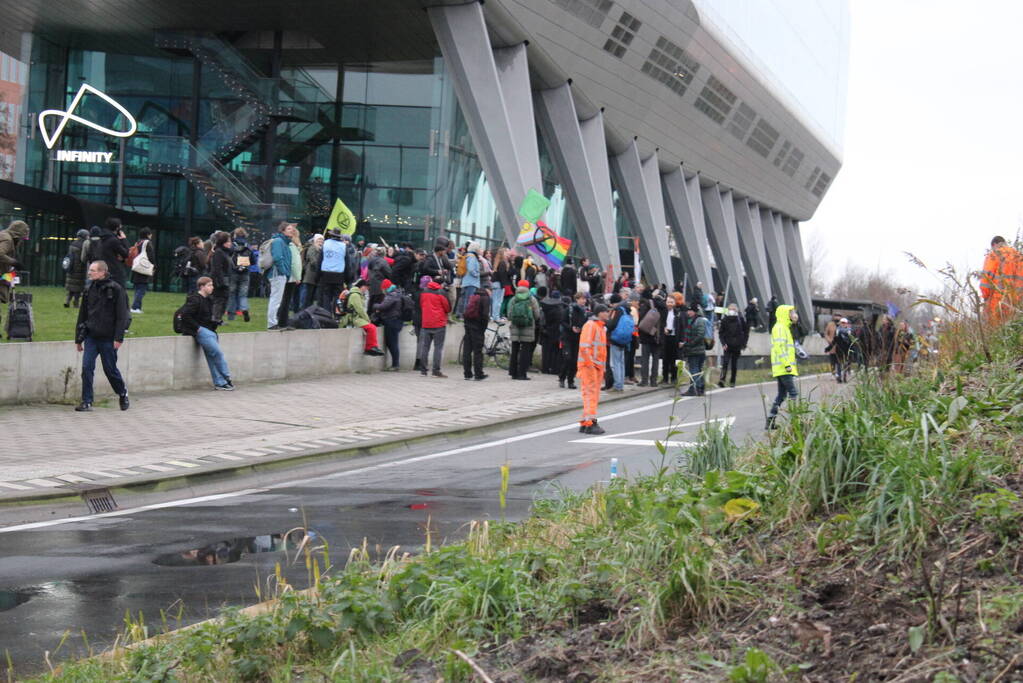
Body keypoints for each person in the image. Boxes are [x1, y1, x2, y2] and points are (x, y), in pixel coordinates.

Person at [74, 260, 130, 412]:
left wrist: (118, 338)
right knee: (86, 368)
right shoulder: (89, 289)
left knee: (110, 370)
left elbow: (122, 316)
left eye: (92, 270)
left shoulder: (116, 289)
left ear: (102, 272)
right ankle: (87, 401)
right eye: (90, 270)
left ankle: (122, 392)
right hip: (91, 336)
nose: (89, 273)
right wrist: (78, 339)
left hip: (108, 338)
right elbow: (83, 315)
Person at [177, 276, 235, 390]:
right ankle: (226, 376)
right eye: (209, 285)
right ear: (202, 287)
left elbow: (205, 317)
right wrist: (198, 328)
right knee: (217, 353)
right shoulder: (194, 299)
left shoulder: (208, 300)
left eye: (212, 285)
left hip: (209, 331)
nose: (212, 287)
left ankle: (220, 382)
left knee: (212, 356)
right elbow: (185, 315)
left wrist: (215, 322)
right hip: (201, 332)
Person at [766, 304, 802, 428]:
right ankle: (795, 421)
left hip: (783, 367)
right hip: (783, 368)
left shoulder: (784, 327)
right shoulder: (780, 328)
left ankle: (770, 421)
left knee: (781, 395)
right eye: (791, 313)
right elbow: (779, 348)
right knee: (794, 394)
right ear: (785, 314)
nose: (794, 315)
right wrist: (787, 365)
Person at [578, 304, 610, 434]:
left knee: (591, 394)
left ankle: (586, 422)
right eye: (606, 312)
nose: (608, 314)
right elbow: (584, 347)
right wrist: (591, 365)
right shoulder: (591, 325)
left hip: (595, 366)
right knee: (591, 394)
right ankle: (590, 422)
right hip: (590, 366)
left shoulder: (599, 327)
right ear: (600, 313)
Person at [980, 235, 1022, 323]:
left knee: (995, 333)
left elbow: (985, 281)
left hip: (997, 303)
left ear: (994, 244)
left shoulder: (993, 255)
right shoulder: (1019, 256)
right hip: (1017, 303)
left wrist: (985, 297)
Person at [508, 279, 542, 380]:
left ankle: (513, 372)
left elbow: (509, 315)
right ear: (528, 287)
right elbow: (537, 315)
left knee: (514, 350)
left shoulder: (513, 299)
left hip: (515, 328)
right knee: (525, 352)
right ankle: (522, 374)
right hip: (527, 328)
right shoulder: (532, 299)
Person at [340, 279, 384, 356]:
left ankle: (371, 347)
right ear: (362, 286)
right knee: (371, 327)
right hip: (353, 318)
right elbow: (360, 310)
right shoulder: (355, 295)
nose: (367, 289)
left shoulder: (356, 294)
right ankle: (370, 348)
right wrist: (367, 319)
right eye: (366, 287)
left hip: (356, 317)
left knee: (372, 327)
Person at [418, 275, 451, 377]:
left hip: (426, 323)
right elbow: (448, 308)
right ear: (441, 284)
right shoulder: (441, 292)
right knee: (438, 348)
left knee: (425, 347)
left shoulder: (424, 292)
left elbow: (421, 305)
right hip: (439, 323)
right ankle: (436, 371)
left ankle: (423, 371)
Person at [266, 222, 296, 330]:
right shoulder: (279, 241)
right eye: (289, 229)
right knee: (275, 299)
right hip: (277, 274)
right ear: (282, 231)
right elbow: (278, 258)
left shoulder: (285, 242)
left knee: (277, 299)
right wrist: (284, 271)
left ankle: (274, 322)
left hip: (280, 274)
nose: (292, 230)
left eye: (292, 229)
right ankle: (272, 323)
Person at [0, 220, 28, 329]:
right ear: (17, 234)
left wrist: (12, 272)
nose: (22, 241)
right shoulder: (7, 239)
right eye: (22, 238)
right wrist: (14, 262)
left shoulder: (4, 235)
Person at [461, 285, 491, 381]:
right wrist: (483, 328)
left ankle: (467, 374)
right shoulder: (485, 298)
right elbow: (485, 315)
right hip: (477, 327)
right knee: (477, 351)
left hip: (468, 325)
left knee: (467, 350)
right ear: (488, 290)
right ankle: (478, 374)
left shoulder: (473, 296)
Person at [374, 278, 405, 371]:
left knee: (393, 343)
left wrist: (375, 305)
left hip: (392, 321)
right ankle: (395, 364)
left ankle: (395, 365)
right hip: (396, 320)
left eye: (383, 289)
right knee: (392, 343)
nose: (382, 291)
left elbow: (383, 306)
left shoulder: (392, 295)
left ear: (386, 288)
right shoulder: (397, 293)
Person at [560, 291, 588, 389]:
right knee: (567, 358)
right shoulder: (569, 309)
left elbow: (585, 323)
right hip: (567, 337)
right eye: (582, 299)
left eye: (585, 299)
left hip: (578, 337)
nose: (584, 301)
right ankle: (562, 377)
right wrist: (570, 328)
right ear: (577, 299)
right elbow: (562, 321)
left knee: (575, 360)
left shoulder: (585, 311)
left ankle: (571, 380)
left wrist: (581, 328)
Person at [680, 302, 708, 396]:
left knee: (694, 370)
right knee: (697, 370)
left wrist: (689, 344)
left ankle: (699, 388)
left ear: (695, 311)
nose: (688, 312)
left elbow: (700, 335)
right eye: (688, 310)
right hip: (696, 349)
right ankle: (693, 389)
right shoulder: (691, 320)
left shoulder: (699, 320)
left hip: (696, 350)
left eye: (690, 310)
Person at [717, 303, 748, 388]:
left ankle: (732, 381)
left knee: (734, 364)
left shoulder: (740, 320)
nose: (731, 311)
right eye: (730, 309)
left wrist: (744, 344)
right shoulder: (725, 320)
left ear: (736, 310)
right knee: (725, 363)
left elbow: (746, 332)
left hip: (737, 345)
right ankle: (721, 380)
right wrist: (723, 343)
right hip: (727, 345)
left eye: (733, 309)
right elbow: (721, 333)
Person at [604, 293, 631, 392]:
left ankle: (617, 385)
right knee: (621, 363)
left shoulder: (617, 310)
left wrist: (606, 322)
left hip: (616, 338)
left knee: (614, 363)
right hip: (624, 339)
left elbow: (612, 324)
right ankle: (621, 384)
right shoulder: (626, 309)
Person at [317, 228, 347, 313]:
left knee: (326, 296)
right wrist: (347, 277)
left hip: (326, 273)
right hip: (339, 274)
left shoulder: (325, 244)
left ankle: (327, 314)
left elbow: (320, 260)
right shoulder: (344, 246)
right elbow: (347, 262)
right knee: (338, 296)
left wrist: (318, 275)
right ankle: (336, 314)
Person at [227, 227, 253, 322]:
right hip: (245, 273)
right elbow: (253, 260)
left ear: (235, 235)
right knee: (243, 294)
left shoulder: (232, 246)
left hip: (233, 272)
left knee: (232, 294)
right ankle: (244, 309)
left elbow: (227, 257)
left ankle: (231, 316)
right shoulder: (248, 246)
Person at [128, 228, 156, 314]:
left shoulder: (138, 242)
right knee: (142, 289)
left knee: (138, 288)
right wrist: (154, 266)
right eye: (150, 234)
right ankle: (135, 307)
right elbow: (151, 256)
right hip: (143, 268)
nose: (151, 235)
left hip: (136, 267)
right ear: (148, 234)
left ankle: (137, 307)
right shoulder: (147, 243)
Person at [636, 293, 661, 387]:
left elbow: (640, 323)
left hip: (646, 337)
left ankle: (644, 380)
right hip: (658, 337)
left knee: (645, 359)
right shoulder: (663, 307)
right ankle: (654, 381)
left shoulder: (644, 307)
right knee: (655, 360)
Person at [97, 217, 130, 287]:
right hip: (115, 271)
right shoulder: (113, 240)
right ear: (117, 228)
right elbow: (126, 253)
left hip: (104, 269)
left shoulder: (102, 238)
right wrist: (124, 239)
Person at [539, 289, 565, 375]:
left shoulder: (545, 305)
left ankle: (545, 368)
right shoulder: (560, 307)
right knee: (555, 351)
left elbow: (541, 319)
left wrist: (543, 329)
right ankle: (554, 369)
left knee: (545, 351)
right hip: (556, 332)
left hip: (546, 331)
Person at [64, 229, 89, 308]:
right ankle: (76, 303)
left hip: (71, 268)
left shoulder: (73, 244)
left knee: (71, 287)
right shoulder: (83, 245)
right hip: (79, 269)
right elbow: (83, 258)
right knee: (78, 288)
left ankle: (67, 301)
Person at [659, 294, 681, 386]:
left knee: (674, 359)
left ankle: (674, 378)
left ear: (674, 303)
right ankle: (664, 378)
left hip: (674, 337)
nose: (670, 304)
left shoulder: (677, 313)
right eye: (668, 302)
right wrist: (663, 328)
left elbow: (681, 326)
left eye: (671, 302)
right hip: (665, 337)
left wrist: (681, 340)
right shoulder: (663, 312)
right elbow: (659, 323)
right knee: (665, 359)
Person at [457, 241, 481, 318]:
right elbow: (471, 269)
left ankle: (461, 315)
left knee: (464, 299)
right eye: (479, 248)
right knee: (469, 300)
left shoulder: (467, 256)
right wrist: (477, 274)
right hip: (471, 282)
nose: (480, 250)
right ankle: (466, 316)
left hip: (466, 281)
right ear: (476, 249)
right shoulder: (472, 257)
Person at [299, 234, 323, 311]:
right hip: (310, 275)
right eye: (319, 240)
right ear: (315, 240)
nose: (321, 241)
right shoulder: (312, 248)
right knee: (306, 296)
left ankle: (308, 311)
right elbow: (313, 261)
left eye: (322, 240)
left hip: (316, 276)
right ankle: (302, 310)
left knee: (311, 297)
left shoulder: (321, 250)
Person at [491, 247, 512, 320]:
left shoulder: (498, 262)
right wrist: (503, 285)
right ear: (503, 253)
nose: (508, 253)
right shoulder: (502, 262)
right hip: (499, 283)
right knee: (498, 301)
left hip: (495, 283)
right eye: (507, 252)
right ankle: (496, 316)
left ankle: (494, 316)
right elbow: (502, 274)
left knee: (495, 301)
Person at [823, 314, 841, 381]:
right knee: (832, 361)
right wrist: (829, 340)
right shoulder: (830, 324)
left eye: (839, 316)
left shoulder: (842, 324)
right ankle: (833, 373)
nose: (837, 317)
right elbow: (826, 334)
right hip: (832, 347)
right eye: (836, 316)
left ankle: (839, 374)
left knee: (839, 361)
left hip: (840, 347)